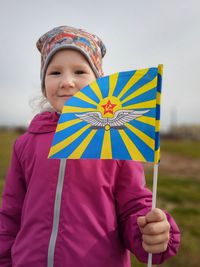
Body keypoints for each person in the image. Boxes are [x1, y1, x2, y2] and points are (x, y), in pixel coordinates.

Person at [0, 25, 180, 267]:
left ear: (98, 83)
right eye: (54, 73)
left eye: (79, 71)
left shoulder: (117, 139)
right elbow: (11, 214)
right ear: (44, 83)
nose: (66, 82)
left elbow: (133, 208)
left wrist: (149, 232)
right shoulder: (26, 143)